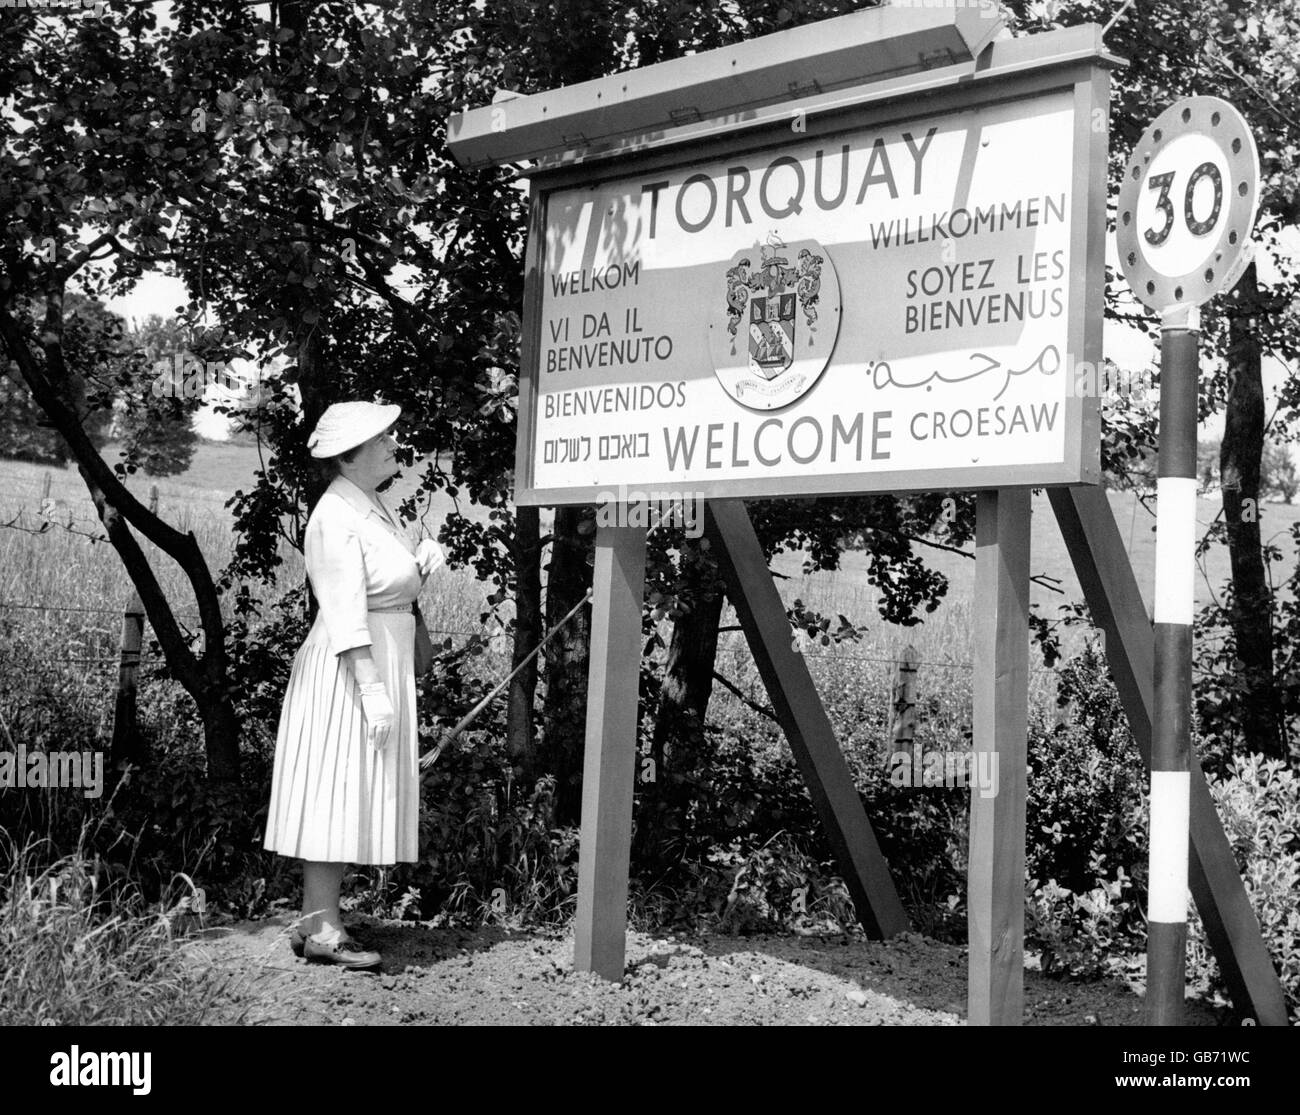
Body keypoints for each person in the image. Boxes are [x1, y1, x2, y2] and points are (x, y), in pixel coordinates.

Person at [262, 400, 444, 970]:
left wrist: (421, 561)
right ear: (351, 455)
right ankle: (321, 930)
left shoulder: (372, 506)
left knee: (353, 787)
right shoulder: (332, 516)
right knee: (334, 788)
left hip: (380, 656)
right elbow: (344, 612)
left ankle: (319, 920)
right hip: (348, 668)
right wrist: (371, 690)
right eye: (382, 441)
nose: (393, 447)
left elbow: (385, 582)